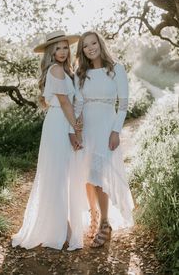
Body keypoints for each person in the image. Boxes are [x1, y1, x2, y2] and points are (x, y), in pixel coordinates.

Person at [12, 30, 82, 250]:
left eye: (65, 47)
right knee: (59, 175)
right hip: (59, 123)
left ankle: (62, 224)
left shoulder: (64, 70)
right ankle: (64, 229)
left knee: (61, 173)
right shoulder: (56, 69)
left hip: (59, 121)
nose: (62, 52)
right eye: (57, 48)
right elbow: (64, 103)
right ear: (51, 52)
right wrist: (77, 129)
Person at [69, 30, 134, 248]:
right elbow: (77, 104)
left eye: (93, 43)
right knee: (88, 175)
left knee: (100, 175)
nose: (90, 48)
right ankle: (94, 215)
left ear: (100, 43)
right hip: (87, 126)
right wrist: (75, 130)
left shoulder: (116, 69)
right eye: (85, 45)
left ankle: (106, 223)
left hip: (106, 127)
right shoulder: (80, 74)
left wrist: (116, 131)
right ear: (82, 50)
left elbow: (123, 105)